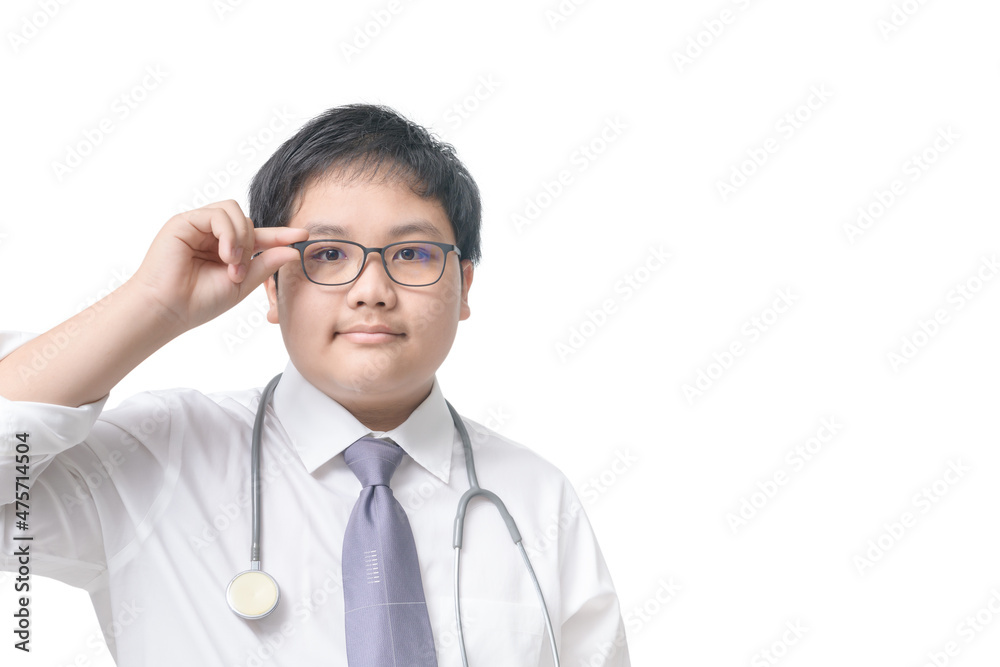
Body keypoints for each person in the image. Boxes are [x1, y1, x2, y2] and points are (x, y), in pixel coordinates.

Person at [0, 104, 630, 665]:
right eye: (328, 254)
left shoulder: (536, 498)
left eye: (412, 254)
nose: (372, 291)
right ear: (269, 287)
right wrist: (151, 305)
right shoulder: (161, 455)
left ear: (464, 286)